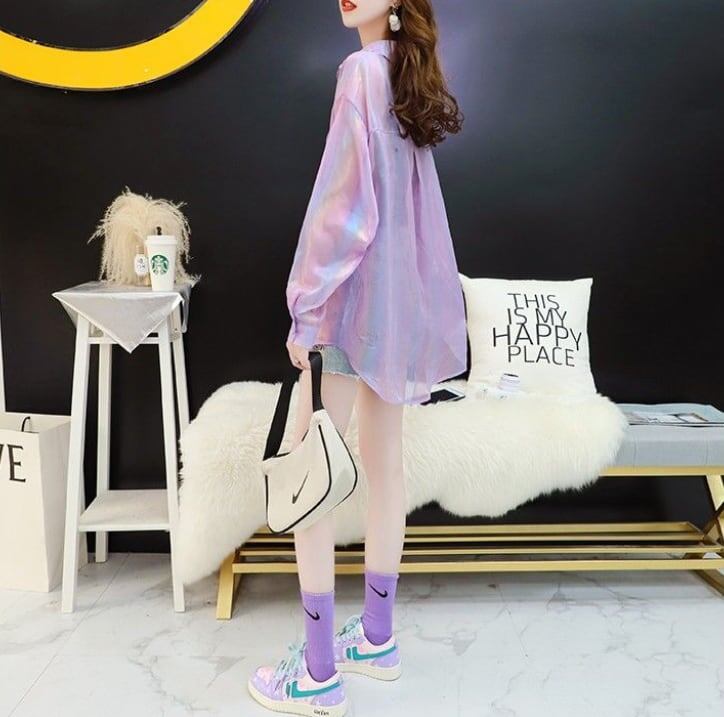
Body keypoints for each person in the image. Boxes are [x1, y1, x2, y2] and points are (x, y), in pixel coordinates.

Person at [248, 1, 466, 714]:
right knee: (384, 468)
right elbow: (413, 216)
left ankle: (317, 671)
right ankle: (376, 636)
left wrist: (307, 306)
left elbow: (342, 209)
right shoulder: (405, 77)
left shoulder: (360, 72)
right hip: (397, 312)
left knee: (311, 470)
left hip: (350, 307)